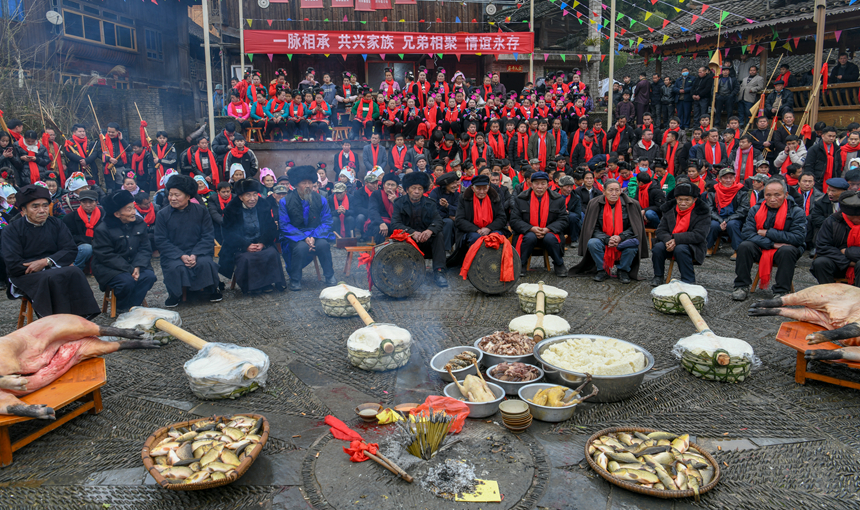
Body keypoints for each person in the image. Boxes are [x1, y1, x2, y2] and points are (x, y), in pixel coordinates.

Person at [1, 185, 100, 318]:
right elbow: (13, 263)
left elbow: (70, 249)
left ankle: (81, 318)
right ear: (23, 210)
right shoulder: (11, 230)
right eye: (35, 206)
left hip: (52, 267)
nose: (41, 210)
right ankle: (55, 322)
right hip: (24, 274)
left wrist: (46, 262)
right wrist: (41, 265)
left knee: (75, 271)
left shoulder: (56, 224)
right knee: (52, 277)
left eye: (45, 205)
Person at [732, 179, 806, 301]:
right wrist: (772, 243)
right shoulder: (755, 209)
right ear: (764, 195)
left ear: (786, 195)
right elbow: (747, 233)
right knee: (744, 246)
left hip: (785, 251)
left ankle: (782, 291)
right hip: (763, 246)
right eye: (768, 195)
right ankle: (741, 286)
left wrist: (768, 232)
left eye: (777, 195)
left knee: (787, 251)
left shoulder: (796, 212)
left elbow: (798, 238)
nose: (772, 199)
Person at [155, 174, 222, 306]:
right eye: (170, 194)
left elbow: (208, 235)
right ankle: (175, 295)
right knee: (176, 267)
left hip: (198, 252)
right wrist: (181, 255)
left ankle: (211, 290)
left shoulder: (201, 211)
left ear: (188, 196)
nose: (172, 198)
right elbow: (161, 240)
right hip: (174, 255)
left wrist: (195, 254)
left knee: (205, 263)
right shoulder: (162, 215)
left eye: (177, 195)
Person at [570, 180, 648, 283]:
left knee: (632, 246)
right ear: (603, 191)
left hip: (623, 239)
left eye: (617, 190)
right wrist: (607, 239)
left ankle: (623, 270)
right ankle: (603, 270)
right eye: (610, 190)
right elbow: (593, 228)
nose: (614, 193)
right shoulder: (594, 204)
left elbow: (634, 228)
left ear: (621, 191)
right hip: (603, 239)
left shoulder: (632, 204)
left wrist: (620, 237)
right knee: (592, 243)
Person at [92, 190, 156, 313]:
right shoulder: (103, 229)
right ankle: (122, 307)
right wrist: (130, 269)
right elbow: (106, 255)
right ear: (117, 214)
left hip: (135, 263)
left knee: (149, 277)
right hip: (110, 267)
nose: (133, 212)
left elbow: (145, 248)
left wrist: (137, 266)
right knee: (126, 281)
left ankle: (132, 307)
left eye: (133, 208)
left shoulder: (139, 223)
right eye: (129, 209)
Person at [218, 179, 286, 294]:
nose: (252, 198)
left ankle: (267, 283)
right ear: (240, 197)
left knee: (271, 253)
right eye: (248, 195)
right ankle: (252, 286)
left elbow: (271, 227)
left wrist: (262, 242)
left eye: (255, 194)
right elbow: (228, 233)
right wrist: (246, 245)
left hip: (261, 242)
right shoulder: (231, 209)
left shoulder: (263, 205)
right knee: (247, 258)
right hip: (240, 245)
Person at [279, 165, 337, 290]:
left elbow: (327, 221)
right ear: (295, 185)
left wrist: (314, 236)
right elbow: (285, 225)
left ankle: (329, 275)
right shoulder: (285, 201)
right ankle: (295, 279)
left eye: (310, 183)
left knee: (323, 245)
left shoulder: (321, 199)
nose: (308, 186)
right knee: (300, 247)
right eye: (304, 183)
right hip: (294, 235)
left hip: (317, 233)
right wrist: (304, 237)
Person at [391, 171, 448, 287]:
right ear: (407, 189)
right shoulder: (399, 203)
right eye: (414, 188)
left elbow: (438, 221)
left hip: (426, 240)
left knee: (439, 235)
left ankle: (439, 272)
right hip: (409, 240)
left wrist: (429, 231)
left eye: (420, 189)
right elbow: (395, 224)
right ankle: (406, 272)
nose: (417, 191)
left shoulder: (430, 203)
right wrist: (412, 233)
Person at [510, 171, 568, 277]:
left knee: (550, 238)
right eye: (536, 183)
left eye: (543, 183)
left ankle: (559, 264)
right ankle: (521, 264)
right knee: (530, 237)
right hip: (528, 232)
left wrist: (547, 229)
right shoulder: (521, 199)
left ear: (548, 185)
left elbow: (563, 220)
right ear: (531, 185)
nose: (539, 186)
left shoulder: (557, 199)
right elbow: (514, 220)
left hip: (549, 232)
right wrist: (531, 228)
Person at [651, 181, 710, 285]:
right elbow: (661, 230)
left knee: (680, 249)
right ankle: (658, 275)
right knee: (658, 247)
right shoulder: (669, 210)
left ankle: (688, 280)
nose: (683, 203)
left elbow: (699, 235)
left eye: (687, 200)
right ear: (676, 199)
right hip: (670, 241)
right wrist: (669, 240)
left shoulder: (702, 212)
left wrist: (676, 239)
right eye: (680, 199)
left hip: (692, 246)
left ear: (694, 200)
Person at [811, 191, 860, 286]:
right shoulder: (833, 221)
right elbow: (823, 246)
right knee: (820, 263)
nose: (857, 220)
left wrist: (846, 251)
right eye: (853, 217)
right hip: (840, 262)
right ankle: (828, 295)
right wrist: (848, 262)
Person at [61, 189, 102, 270]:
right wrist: (89, 240)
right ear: (80, 203)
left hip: (100, 242)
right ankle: (76, 269)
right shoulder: (70, 218)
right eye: (84, 202)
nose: (87, 205)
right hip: (79, 247)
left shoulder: (103, 215)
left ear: (96, 202)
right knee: (86, 248)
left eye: (91, 202)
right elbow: (68, 237)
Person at [810, 177, 850, 241]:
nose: (829, 193)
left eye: (833, 191)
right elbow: (816, 219)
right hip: (826, 232)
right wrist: (834, 225)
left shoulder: (850, 203)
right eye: (828, 190)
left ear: (844, 192)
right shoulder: (820, 202)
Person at [428, 171, 460, 251]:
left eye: (456, 183)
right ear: (446, 184)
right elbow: (431, 209)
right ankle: (441, 250)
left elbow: (457, 210)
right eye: (453, 183)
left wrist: (447, 206)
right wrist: (448, 214)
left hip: (450, 221)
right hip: (436, 219)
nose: (455, 186)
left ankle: (449, 250)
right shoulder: (435, 192)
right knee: (448, 221)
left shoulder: (456, 195)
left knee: (452, 223)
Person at [804, 126, 841, 192]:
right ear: (823, 136)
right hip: (818, 180)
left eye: (834, 136)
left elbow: (838, 166)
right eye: (829, 136)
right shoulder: (814, 149)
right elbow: (809, 166)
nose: (831, 138)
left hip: (832, 179)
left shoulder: (837, 149)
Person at [557, 175, 583, 245]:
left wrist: (568, 213)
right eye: (567, 187)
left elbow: (578, 214)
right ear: (560, 187)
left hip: (569, 220)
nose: (569, 189)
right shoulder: (553, 195)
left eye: (571, 187)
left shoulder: (576, 197)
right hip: (557, 218)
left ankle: (574, 239)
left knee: (574, 217)